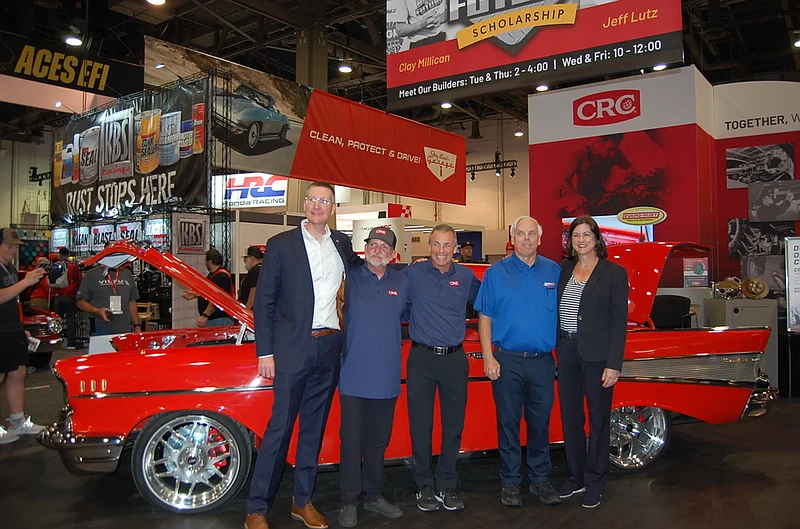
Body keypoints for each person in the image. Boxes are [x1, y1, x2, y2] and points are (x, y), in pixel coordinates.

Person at [245, 182, 362, 529]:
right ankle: (256, 508)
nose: (317, 206)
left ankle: (302, 501)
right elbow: (264, 302)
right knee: (279, 429)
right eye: (312, 199)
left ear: (332, 207)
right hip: (291, 349)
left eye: (324, 201)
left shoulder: (340, 243)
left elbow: (367, 268)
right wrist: (264, 351)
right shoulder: (281, 245)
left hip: (329, 348)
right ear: (304, 204)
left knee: (313, 428)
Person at [474, 216, 561, 507]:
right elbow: (484, 316)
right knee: (508, 424)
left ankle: (540, 479)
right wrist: (488, 356)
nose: (526, 239)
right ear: (512, 237)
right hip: (506, 361)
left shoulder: (554, 271)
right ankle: (510, 481)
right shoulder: (495, 274)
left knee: (540, 424)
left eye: (531, 234)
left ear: (539, 238)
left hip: (542, 362)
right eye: (521, 233)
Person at [404, 224, 481, 513]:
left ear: (456, 248)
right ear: (429, 245)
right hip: (421, 359)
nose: (441, 250)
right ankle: (424, 484)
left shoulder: (465, 276)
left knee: (453, 426)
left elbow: (488, 304)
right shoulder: (413, 273)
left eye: (447, 245)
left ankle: (446, 483)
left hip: (454, 359)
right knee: (420, 426)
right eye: (436, 244)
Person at [337, 227, 409, 528]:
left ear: (393, 253)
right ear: (365, 248)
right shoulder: (350, 278)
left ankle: (373, 495)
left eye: (384, 246)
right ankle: (349, 501)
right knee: (351, 442)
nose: (378, 249)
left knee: (378, 442)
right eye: (373, 244)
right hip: (353, 375)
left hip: (388, 376)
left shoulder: (402, 282)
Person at [556, 215, 628, 509]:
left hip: (598, 357)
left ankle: (596, 480)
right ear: (570, 242)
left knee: (598, 420)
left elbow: (619, 322)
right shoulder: (565, 269)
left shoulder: (614, 273)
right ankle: (576, 477)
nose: (581, 240)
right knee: (571, 418)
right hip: (566, 350)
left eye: (587, 234)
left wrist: (614, 364)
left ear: (597, 239)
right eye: (576, 236)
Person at [0, 228, 47, 443]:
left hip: (12, 328)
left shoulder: (8, 268)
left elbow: (13, 300)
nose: (12, 251)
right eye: (8, 246)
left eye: (15, 247)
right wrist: (25, 283)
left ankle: (18, 422)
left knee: (18, 373)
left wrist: (20, 327)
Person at [557, 134, 636, 215]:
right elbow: (565, 180)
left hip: (605, 199)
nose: (612, 154)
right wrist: (576, 196)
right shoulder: (581, 155)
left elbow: (632, 170)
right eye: (609, 149)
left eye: (614, 150)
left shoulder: (614, 154)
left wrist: (620, 182)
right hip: (586, 202)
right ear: (600, 142)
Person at [77, 263, 141, 336]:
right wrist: (97, 311)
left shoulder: (127, 274)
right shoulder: (92, 274)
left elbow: (132, 302)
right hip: (100, 328)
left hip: (124, 329)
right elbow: (80, 303)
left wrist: (137, 326)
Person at [182, 249, 235, 327]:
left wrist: (205, 315)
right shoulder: (213, 275)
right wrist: (197, 294)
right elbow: (209, 294)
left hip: (219, 320)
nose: (205, 263)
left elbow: (217, 298)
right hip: (215, 319)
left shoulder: (221, 276)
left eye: (205, 261)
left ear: (210, 262)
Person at [51, 247, 82, 349]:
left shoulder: (54, 265)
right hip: (70, 295)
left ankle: (54, 340)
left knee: (56, 320)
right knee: (71, 319)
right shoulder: (73, 265)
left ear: (59, 254)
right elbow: (79, 280)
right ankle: (71, 343)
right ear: (68, 255)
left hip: (57, 295)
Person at [239, 246, 263, 310]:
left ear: (252, 258)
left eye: (246, 258)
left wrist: (246, 311)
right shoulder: (264, 268)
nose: (244, 260)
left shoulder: (255, 271)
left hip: (252, 312)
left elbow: (254, 292)